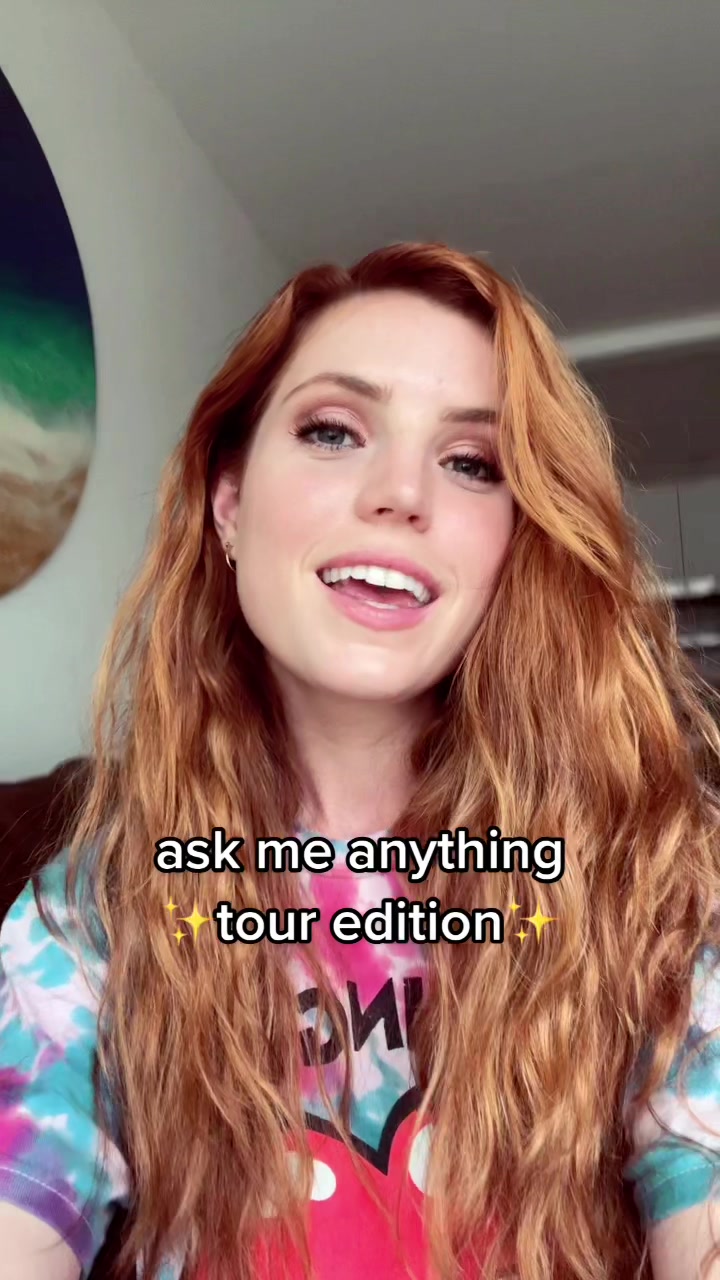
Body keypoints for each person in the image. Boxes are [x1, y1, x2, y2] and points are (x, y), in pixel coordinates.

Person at [0, 241, 719, 1280]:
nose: (401, 493)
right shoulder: (92, 916)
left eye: (472, 462)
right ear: (230, 503)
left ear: (515, 545)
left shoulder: (649, 876)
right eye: (333, 431)